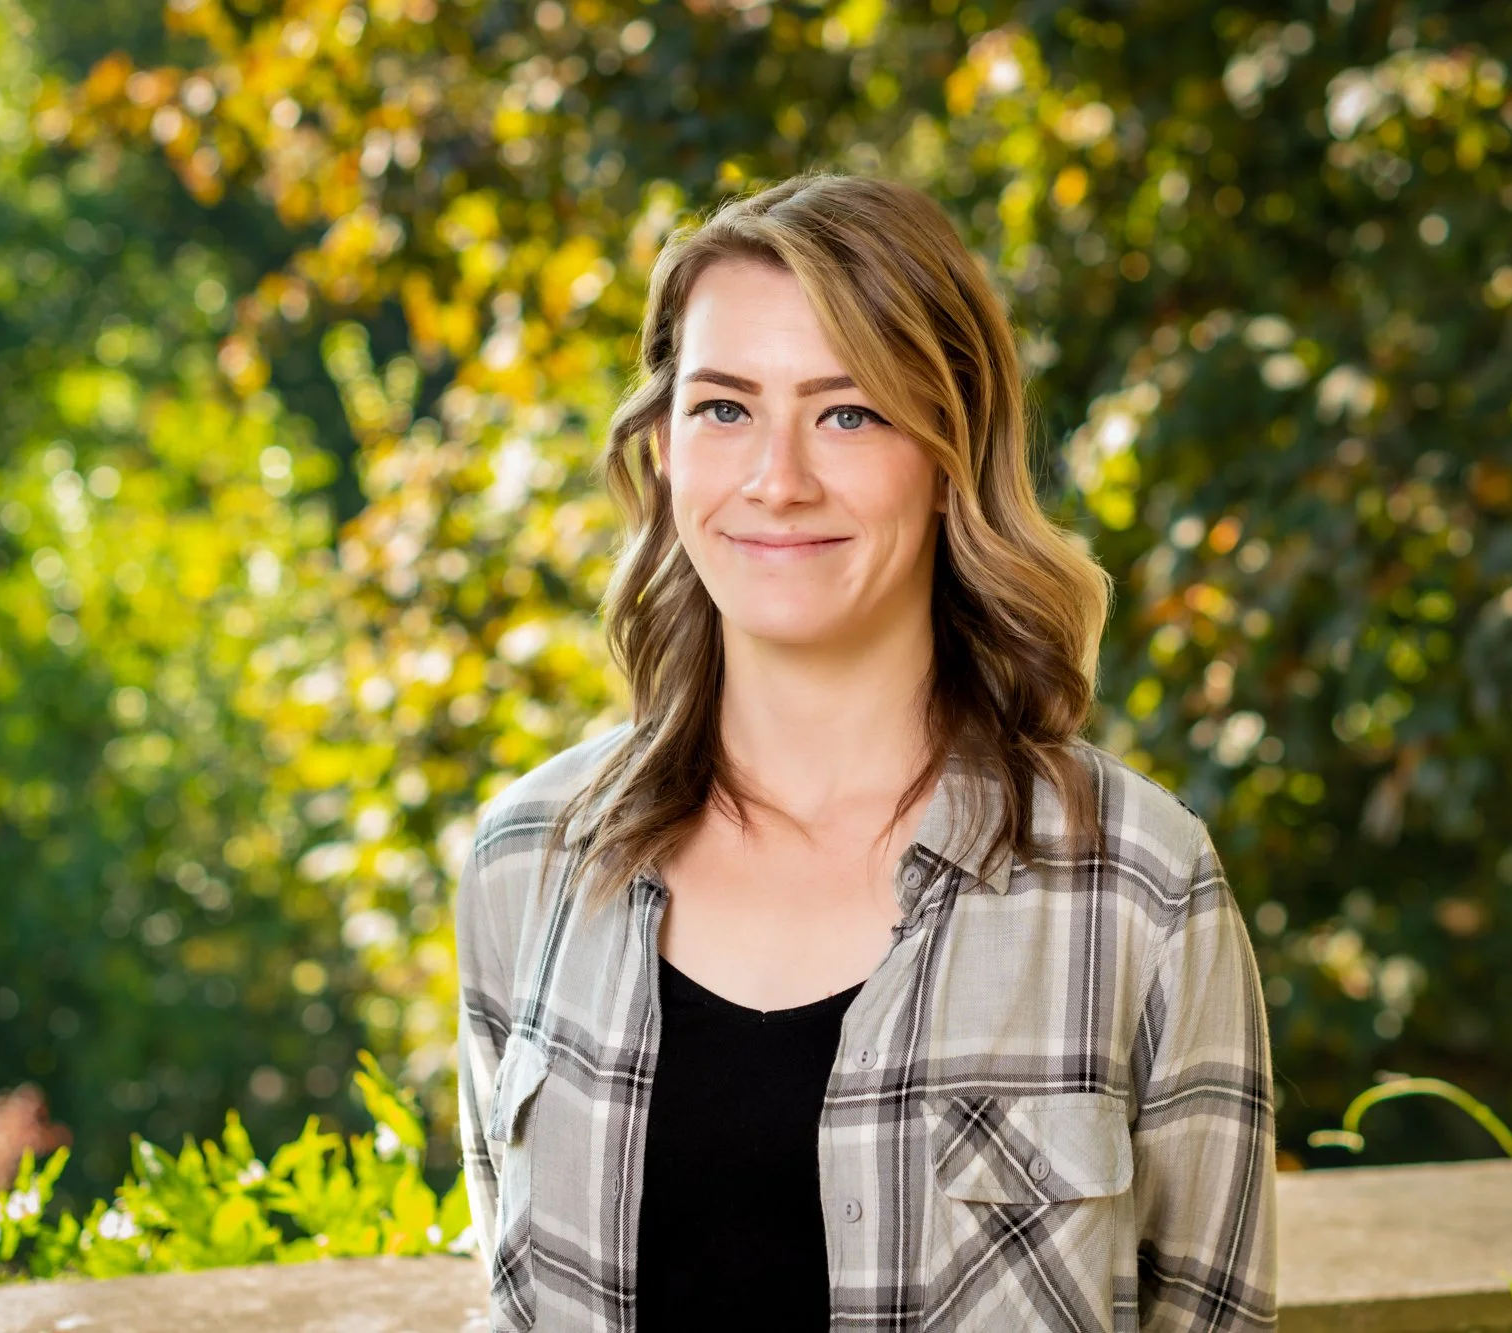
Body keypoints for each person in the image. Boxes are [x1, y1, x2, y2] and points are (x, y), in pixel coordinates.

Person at [454, 170, 1276, 1332]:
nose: (776, 481)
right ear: (664, 451)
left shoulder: (1137, 886)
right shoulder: (528, 863)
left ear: (949, 457)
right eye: (723, 408)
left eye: (849, 412)